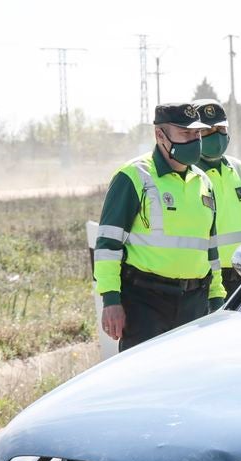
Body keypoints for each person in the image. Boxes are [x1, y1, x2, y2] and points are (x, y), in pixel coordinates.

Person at [94, 103, 225, 351]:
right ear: (160, 135)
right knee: (145, 381)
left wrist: (217, 297)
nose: (195, 140)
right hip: (146, 303)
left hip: (195, 304)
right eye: (185, 134)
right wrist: (111, 299)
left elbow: (211, 248)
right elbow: (108, 244)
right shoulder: (133, 176)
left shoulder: (203, 182)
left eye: (197, 134)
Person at [191, 98, 241, 293]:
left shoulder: (238, 169)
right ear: (195, 134)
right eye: (208, 131)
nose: (216, 136)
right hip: (206, 278)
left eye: (221, 129)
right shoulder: (188, 174)